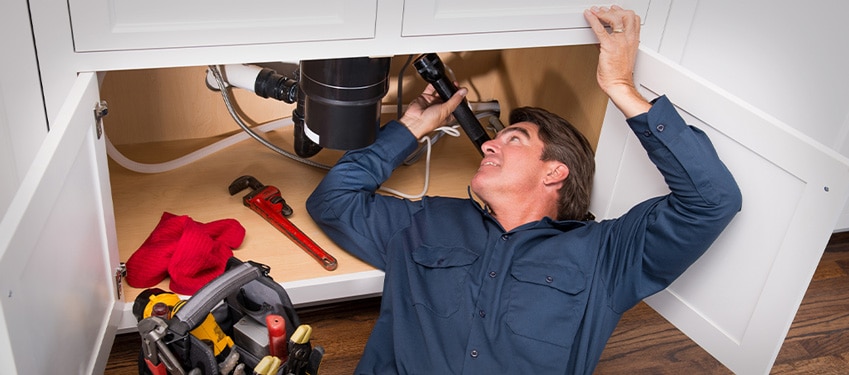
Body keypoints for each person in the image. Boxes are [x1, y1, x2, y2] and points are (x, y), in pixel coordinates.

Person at [306, 5, 742, 374]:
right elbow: (334, 201)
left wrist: (620, 88)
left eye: (514, 138)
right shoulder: (427, 221)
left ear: (555, 172)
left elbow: (712, 201)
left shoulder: (606, 257)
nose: (490, 143)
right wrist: (408, 128)